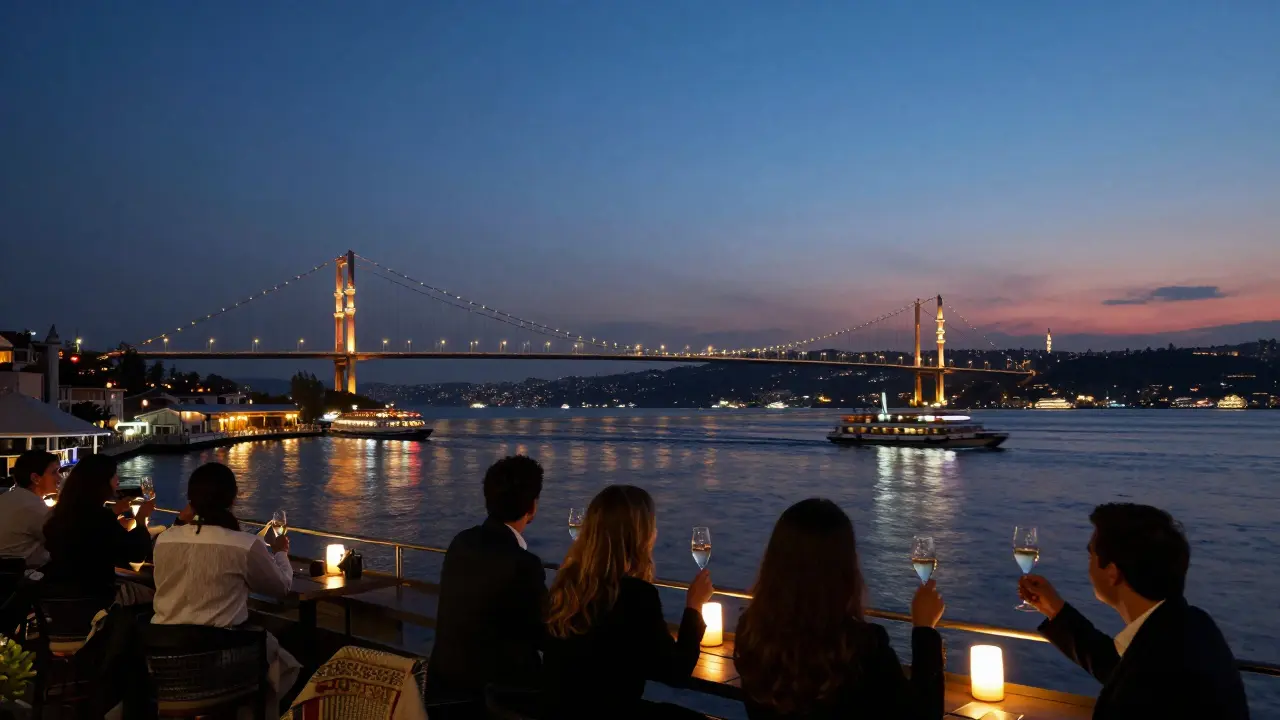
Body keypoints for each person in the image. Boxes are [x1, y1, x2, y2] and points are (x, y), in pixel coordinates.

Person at [1018, 503, 1249, 720]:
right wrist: (1055, 609)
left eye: (1091, 555)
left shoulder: (1148, 682)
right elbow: (1119, 668)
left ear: (1112, 572)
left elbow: (1136, 683)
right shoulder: (1193, 626)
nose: (1088, 566)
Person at [735, 499, 945, 720]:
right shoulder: (863, 649)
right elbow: (924, 715)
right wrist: (924, 630)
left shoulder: (751, 634)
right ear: (844, 569)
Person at [541, 484, 713, 720]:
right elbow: (676, 673)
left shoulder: (567, 585)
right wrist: (693, 607)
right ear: (641, 535)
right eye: (652, 526)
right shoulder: (636, 595)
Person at [152, 462, 300, 716]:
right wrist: (280, 554)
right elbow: (281, 587)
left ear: (191, 499)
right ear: (232, 499)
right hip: (225, 663)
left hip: (165, 665)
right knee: (285, 664)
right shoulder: (244, 545)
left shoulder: (164, 540)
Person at [425, 455, 549, 707]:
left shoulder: (461, 542)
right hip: (495, 699)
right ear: (532, 507)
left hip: (442, 690)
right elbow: (543, 635)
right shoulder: (524, 564)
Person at [41, 453, 154, 606]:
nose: (118, 482)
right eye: (114, 476)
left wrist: (114, 512)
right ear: (102, 483)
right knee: (157, 594)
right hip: (99, 596)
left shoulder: (59, 515)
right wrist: (141, 519)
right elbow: (136, 553)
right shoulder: (99, 518)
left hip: (60, 595)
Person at [0, 450, 59, 567]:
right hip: (21, 575)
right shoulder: (33, 506)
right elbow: (59, 539)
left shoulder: (8, 497)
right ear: (35, 478)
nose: (59, 477)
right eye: (54, 472)